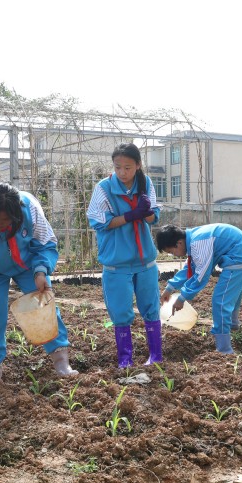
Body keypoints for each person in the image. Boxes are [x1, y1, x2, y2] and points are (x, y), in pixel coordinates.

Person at [0, 182, 77, 381]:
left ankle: (62, 362)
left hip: (29, 264)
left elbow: (45, 243)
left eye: (6, 220)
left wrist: (41, 271)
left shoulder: (30, 208)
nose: (0, 225)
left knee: (45, 307)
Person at [86, 143, 162, 369]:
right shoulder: (104, 188)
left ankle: (156, 356)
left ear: (138, 165)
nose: (122, 172)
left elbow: (153, 218)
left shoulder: (146, 183)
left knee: (151, 308)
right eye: (117, 167)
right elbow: (100, 222)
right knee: (120, 311)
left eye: (127, 167)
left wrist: (146, 212)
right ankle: (125, 360)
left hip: (145, 261)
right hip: (116, 264)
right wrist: (131, 215)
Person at [156, 223, 242, 355]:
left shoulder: (199, 243)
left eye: (171, 252)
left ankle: (224, 349)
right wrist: (169, 288)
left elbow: (201, 275)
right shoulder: (193, 240)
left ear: (179, 243)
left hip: (239, 255)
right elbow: (190, 268)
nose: (174, 255)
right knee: (232, 292)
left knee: (221, 300)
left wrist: (182, 298)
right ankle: (233, 325)